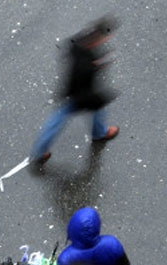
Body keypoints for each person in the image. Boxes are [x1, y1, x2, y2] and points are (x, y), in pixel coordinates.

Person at [30, 17, 120, 165]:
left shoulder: (81, 43)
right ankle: (39, 152)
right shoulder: (84, 62)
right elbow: (82, 76)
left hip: (76, 91)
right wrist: (96, 67)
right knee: (61, 118)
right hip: (79, 94)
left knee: (86, 111)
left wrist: (96, 65)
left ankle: (99, 133)